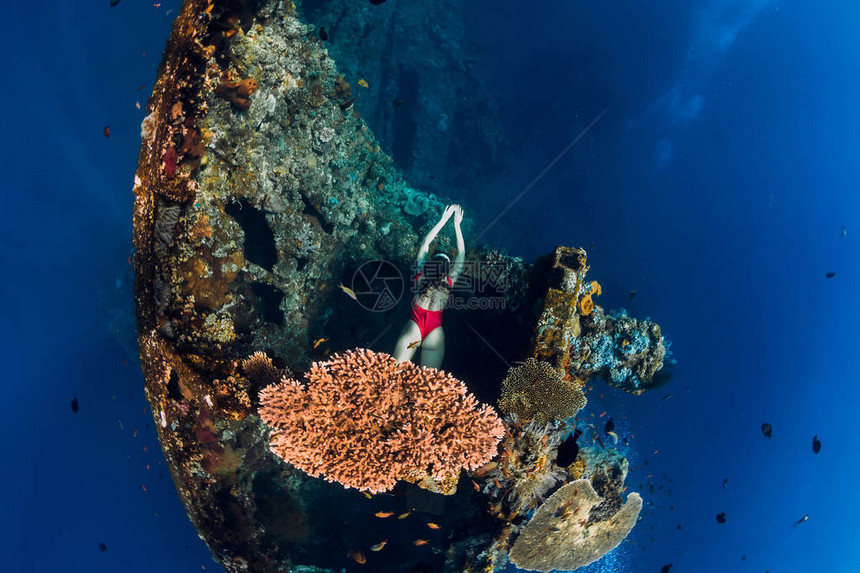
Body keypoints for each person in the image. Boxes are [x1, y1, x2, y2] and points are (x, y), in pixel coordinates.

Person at [393, 204, 465, 368]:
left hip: (414, 327)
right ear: (448, 267)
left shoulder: (420, 273)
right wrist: (456, 225)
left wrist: (443, 220)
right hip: (435, 333)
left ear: (432, 262)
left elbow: (426, 243)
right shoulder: (450, 280)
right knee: (429, 387)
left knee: (392, 377)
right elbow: (461, 254)